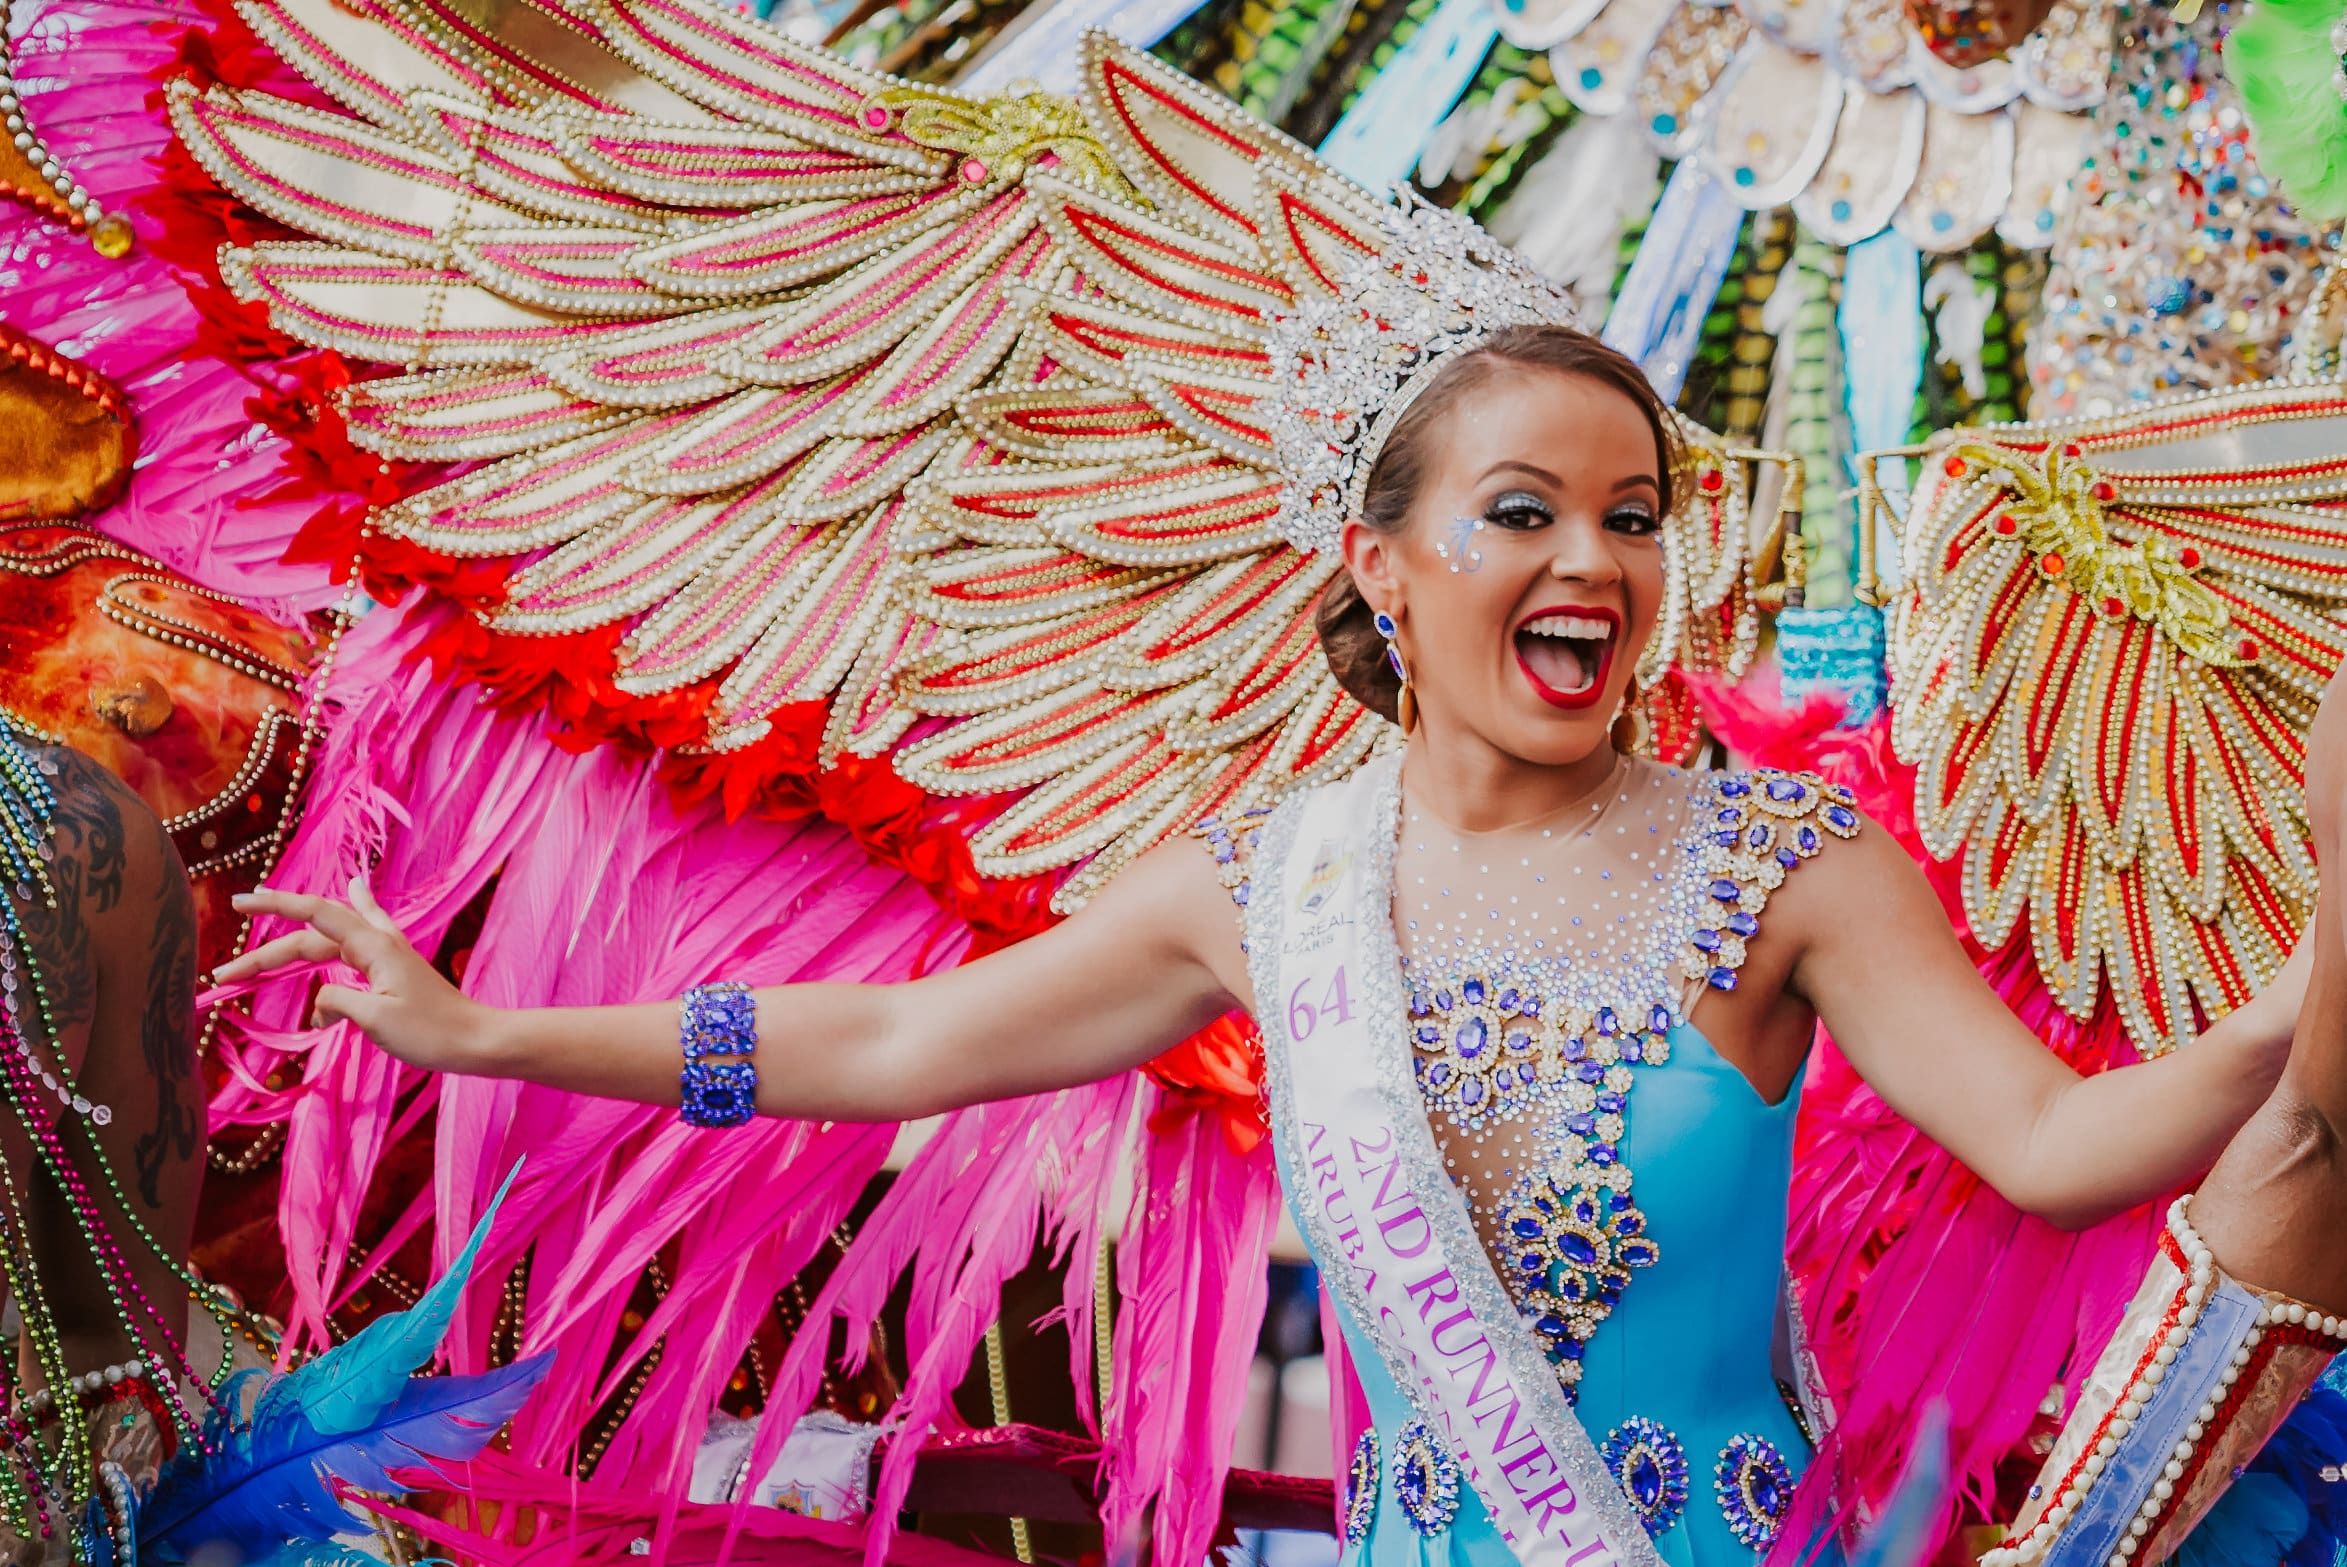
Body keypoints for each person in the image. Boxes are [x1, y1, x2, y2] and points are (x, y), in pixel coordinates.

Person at [217, 315, 2331, 1566]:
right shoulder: (1265, 889)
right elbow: (883, 1043)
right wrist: (482, 1023)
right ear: (1384, 565)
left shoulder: (1789, 863)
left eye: (1632, 514)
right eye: (1522, 509)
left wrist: (2311, 977)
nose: (1590, 557)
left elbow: (2057, 1146)